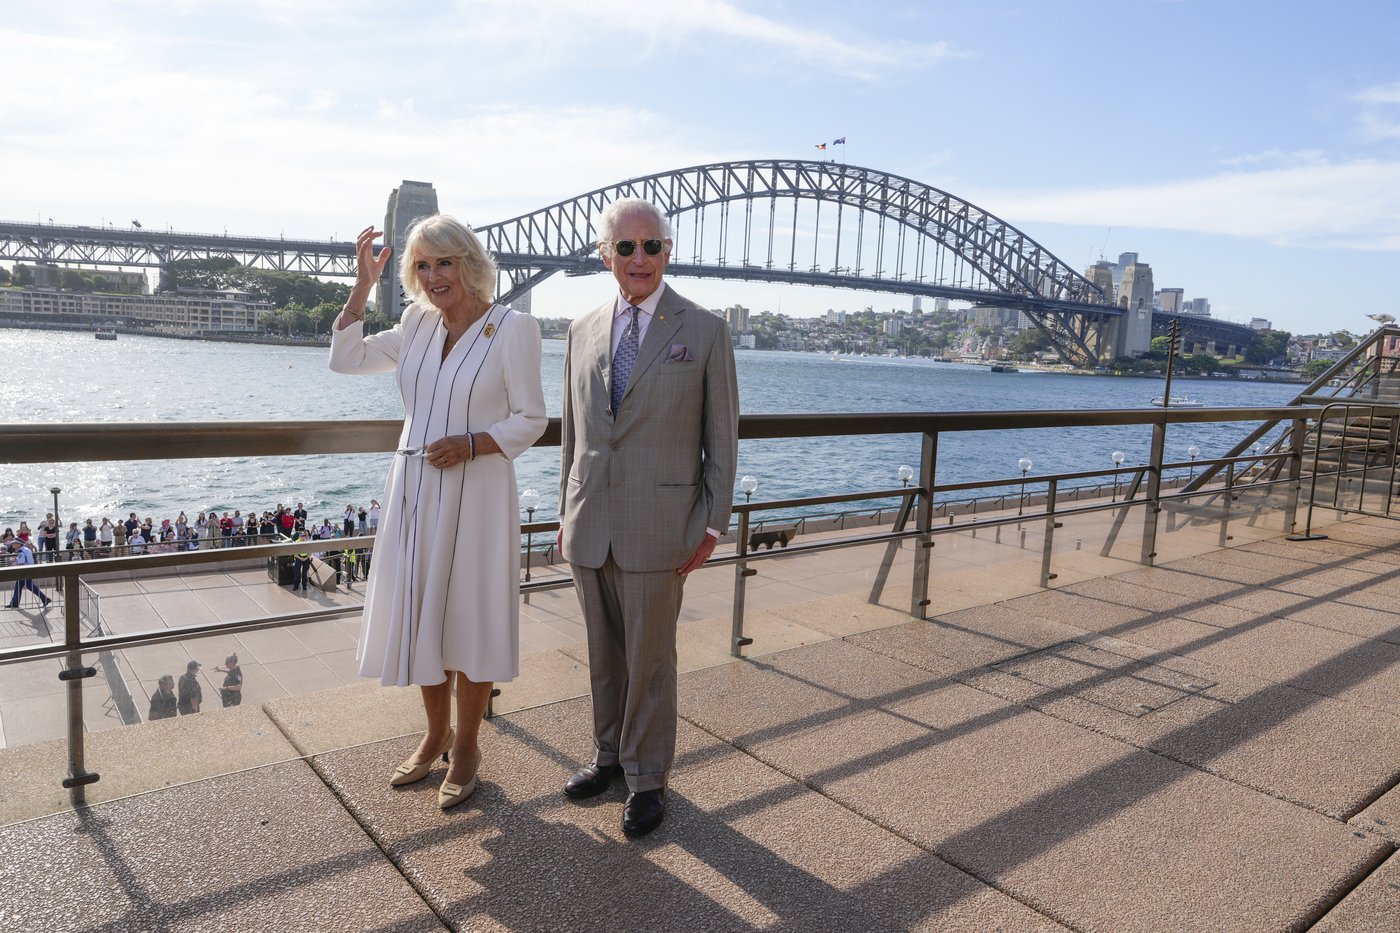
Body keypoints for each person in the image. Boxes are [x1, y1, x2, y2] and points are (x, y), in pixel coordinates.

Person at [329, 216, 547, 810]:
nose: (433, 276)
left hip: (477, 490)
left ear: (468, 263)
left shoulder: (514, 328)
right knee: (422, 611)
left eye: (443, 263)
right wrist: (361, 287)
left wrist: (473, 442)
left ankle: (469, 745)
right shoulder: (415, 324)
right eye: (421, 266)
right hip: (415, 488)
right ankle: (435, 735)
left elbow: (532, 418)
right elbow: (345, 360)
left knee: (468, 617)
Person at [558, 197, 739, 836]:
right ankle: (608, 756)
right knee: (603, 653)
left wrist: (713, 524)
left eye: (652, 246)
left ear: (668, 252)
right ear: (605, 255)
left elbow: (722, 437)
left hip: (663, 526)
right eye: (626, 248)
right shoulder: (580, 330)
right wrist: (563, 512)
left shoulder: (705, 330)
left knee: (651, 658)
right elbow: (575, 434)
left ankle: (646, 777)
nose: (641, 258)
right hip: (589, 521)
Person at [6, 539, 53, 608]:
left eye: (14, 543)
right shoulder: (26, 549)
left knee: (31, 587)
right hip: (28, 570)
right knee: (18, 586)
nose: (13, 545)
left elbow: (21, 564)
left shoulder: (21, 552)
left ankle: (45, 599)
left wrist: (15, 563)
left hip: (24, 572)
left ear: (19, 544)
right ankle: (14, 603)